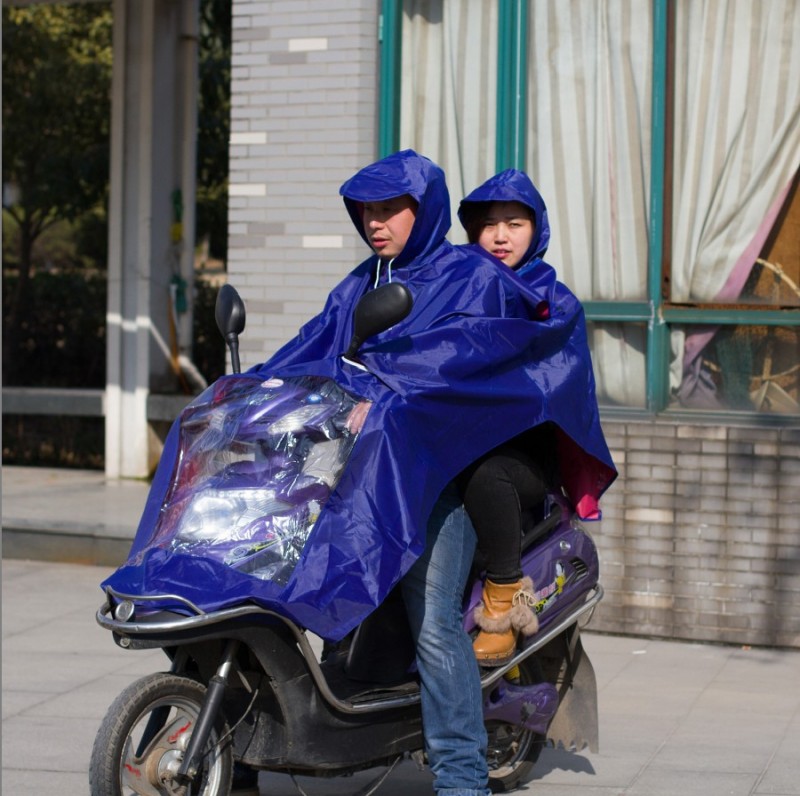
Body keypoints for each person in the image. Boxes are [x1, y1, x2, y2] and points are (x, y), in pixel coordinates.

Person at [109, 152, 615, 796]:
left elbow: (470, 360)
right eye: (366, 211)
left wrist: (394, 386)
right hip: (359, 471)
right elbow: (314, 346)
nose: (376, 223)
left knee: (434, 623)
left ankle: (462, 776)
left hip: (435, 477)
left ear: (424, 210)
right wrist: (249, 390)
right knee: (261, 581)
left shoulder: (472, 277)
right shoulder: (360, 285)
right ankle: (241, 748)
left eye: (389, 209)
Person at [455, 168, 614, 667]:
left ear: (536, 229)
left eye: (514, 223)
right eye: (489, 224)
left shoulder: (554, 302)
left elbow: (551, 382)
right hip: (452, 446)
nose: (500, 236)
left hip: (520, 461)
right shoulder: (454, 291)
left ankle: (502, 601)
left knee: (489, 474)